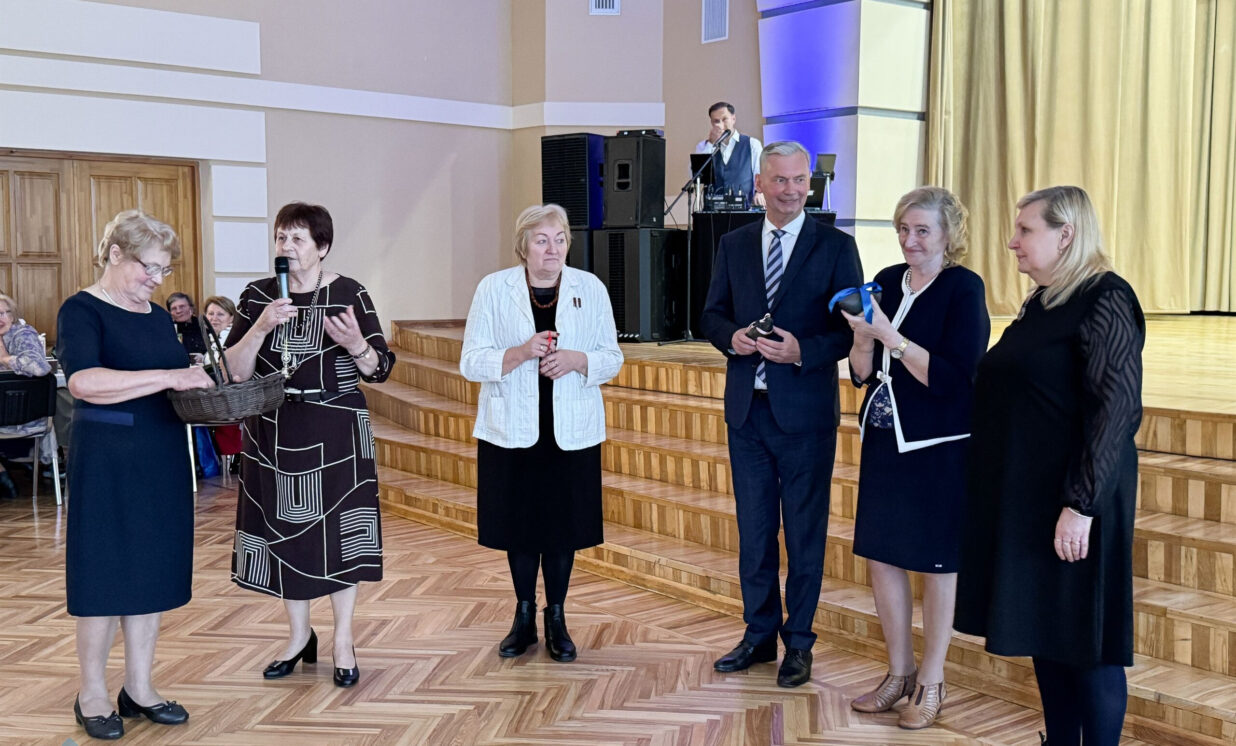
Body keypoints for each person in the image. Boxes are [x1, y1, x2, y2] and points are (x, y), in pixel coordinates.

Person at [954, 186, 1144, 746]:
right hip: (1030, 497)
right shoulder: (1043, 301)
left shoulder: (1106, 297)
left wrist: (1080, 506)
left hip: (1078, 498)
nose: (1012, 242)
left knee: (1087, 642)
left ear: (1066, 235)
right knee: (1047, 630)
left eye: (1025, 230)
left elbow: (1116, 410)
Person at [700, 141, 863, 687]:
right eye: (781, 180)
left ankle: (800, 643)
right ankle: (758, 635)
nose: (792, 190)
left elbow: (851, 332)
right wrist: (732, 338)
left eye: (800, 180)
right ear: (760, 185)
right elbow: (711, 315)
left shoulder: (837, 247)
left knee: (804, 535)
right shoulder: (734, 244)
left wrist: (802, 352)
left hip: (805, 416)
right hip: (747, 413)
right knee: (754, 533)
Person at [56, 209, 214, 740]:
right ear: (115, 253)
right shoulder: (82, 309)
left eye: (165, 270)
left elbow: (170, 382)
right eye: (149, 267)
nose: (157, 279)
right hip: (107, 458)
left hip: (160, 454)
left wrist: (192, 381)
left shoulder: (155, 316)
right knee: (103, 573)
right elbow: (84, 382)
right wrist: (170, 375)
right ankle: (92, 693)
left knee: (152, 571)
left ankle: (140, 687)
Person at [224, 202, 393, 688]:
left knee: (341, 534)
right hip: (273, 428)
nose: (286, 247)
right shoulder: (258, 296)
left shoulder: (349, 293)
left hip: (337, 428)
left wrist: (357, 344)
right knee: (284, 532)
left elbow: (379, 369)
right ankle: (299, 637)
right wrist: (261, 327)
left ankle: (343, 640)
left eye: (297, 239)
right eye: (281, 237)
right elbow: (234, 371)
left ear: (322, 247)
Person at [841, 187, 989, 728]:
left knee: (936, 563)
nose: (910, 240)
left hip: (938, 445)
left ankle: (931, 680)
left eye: (922, 230)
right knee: (882, 555)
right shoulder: (886, 279)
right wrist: (862, 339)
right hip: (885, 437)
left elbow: (955, 379)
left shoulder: (963, 288)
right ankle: (898, 674)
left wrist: (889, 336)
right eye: (904, 229)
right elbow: (862, 374)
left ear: (949, 235)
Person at [460, 203, 623, 663]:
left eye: (559, 239)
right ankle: (523, 616)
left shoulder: (590, 288)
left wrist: (578, 360)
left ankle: (557, 618)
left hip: (569, 430)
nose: (552, 249)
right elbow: (470, 361)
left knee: (562, 527)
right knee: (519, 526)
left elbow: (612, 356)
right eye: (541, 240)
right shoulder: (494, 289)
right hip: (511, 429)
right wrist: (519, 352)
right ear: (523, 246)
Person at [0, 292, 55, 499]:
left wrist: (6, 359)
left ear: (13, 316)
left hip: (25, 420)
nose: (1, 318)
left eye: (5, 313)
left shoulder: (21, 335)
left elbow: (39, 368)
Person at [694, 102, 766, 207]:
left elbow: (760, 172)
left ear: (733, 119)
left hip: (744, 208)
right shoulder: (703, 147)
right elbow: (695, 175)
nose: (721, 125)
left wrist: (759, 192)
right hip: (713, 211)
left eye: (724, 119)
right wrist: (711, 143)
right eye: (716, 121)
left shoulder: (752, 144)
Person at [201, 295, 241, 466]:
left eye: (220, 314)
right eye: (210, 314)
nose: (214, 318)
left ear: (232, 318)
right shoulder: (215, 338)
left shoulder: (229, 338)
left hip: (230, 399)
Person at [166, 292, 207, 358]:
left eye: (182, 306)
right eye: (174, 308)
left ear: (191, 308)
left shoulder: (203, 325)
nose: (178, 311)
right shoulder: (168, 330)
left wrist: (204, 357)